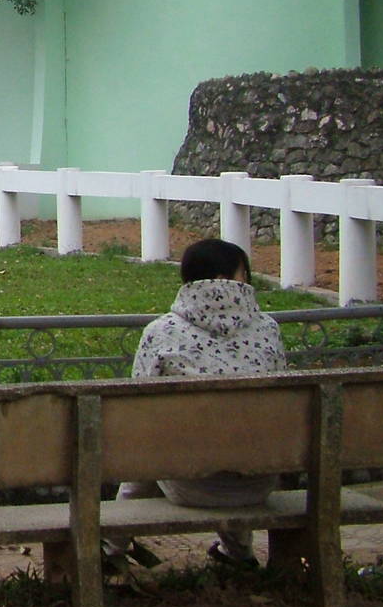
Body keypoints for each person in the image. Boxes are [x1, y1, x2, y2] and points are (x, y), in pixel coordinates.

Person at [110, 237, 288, 572]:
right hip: (259, 482)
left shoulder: (161, 333)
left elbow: (134, 409)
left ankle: (109, 546)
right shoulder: (268, 330)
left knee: (155, 443)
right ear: (230, 279)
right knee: (236, 432)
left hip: (186, 483)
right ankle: (237, 553)